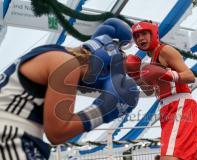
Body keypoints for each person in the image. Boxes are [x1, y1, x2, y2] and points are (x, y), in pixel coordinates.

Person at [0, 18, 139, 160]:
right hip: (10, 136)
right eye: (105, 73)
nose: (94, 87)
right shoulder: (67, 64)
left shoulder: (54, 54)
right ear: (99, 62)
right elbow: (57, 132)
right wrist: (103, 110)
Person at [125, 21, 197, 160]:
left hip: (180, 105)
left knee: (169, 156)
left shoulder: (165, 51)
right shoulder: (151, 61)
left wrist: (165, 74)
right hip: (166, 109)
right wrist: (135, 75)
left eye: (144, 33)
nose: (140, 38)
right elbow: (149, 91)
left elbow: (190, 76)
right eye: (137, 36)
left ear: (153, 34)